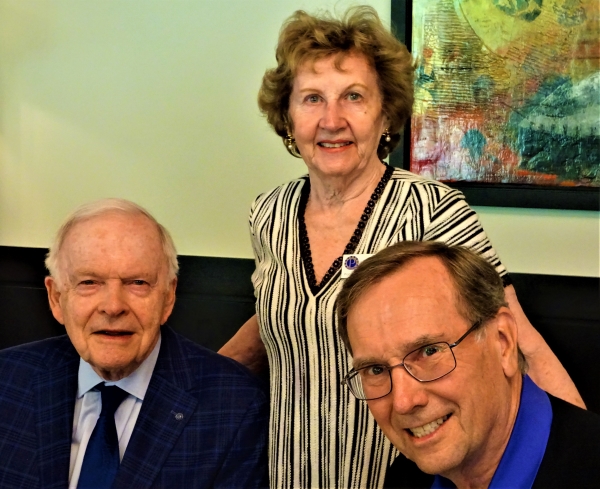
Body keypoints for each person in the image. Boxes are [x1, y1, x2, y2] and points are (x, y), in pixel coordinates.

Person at [218, 6, 584, 488]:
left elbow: (521, 344)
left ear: (385, 111)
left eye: (353, 96)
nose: (332, 120)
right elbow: (279, 317)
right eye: (312, 98)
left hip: (400, 477)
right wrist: (171, 386)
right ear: (288, 116)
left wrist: (582, 454)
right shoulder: (268, 214)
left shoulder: (433, 210)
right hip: (288, 474)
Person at [0, 198, 268, 489]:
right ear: (56, 298)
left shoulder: (235, 407)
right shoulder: (6, 381)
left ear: (168, 297)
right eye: (89, 282)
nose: (113, 306)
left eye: (137, 283)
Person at [337, 241, 600, 488]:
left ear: (503, 342)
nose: (403, 401)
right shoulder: (406, 478)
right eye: (376, 370)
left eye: (429, 351)